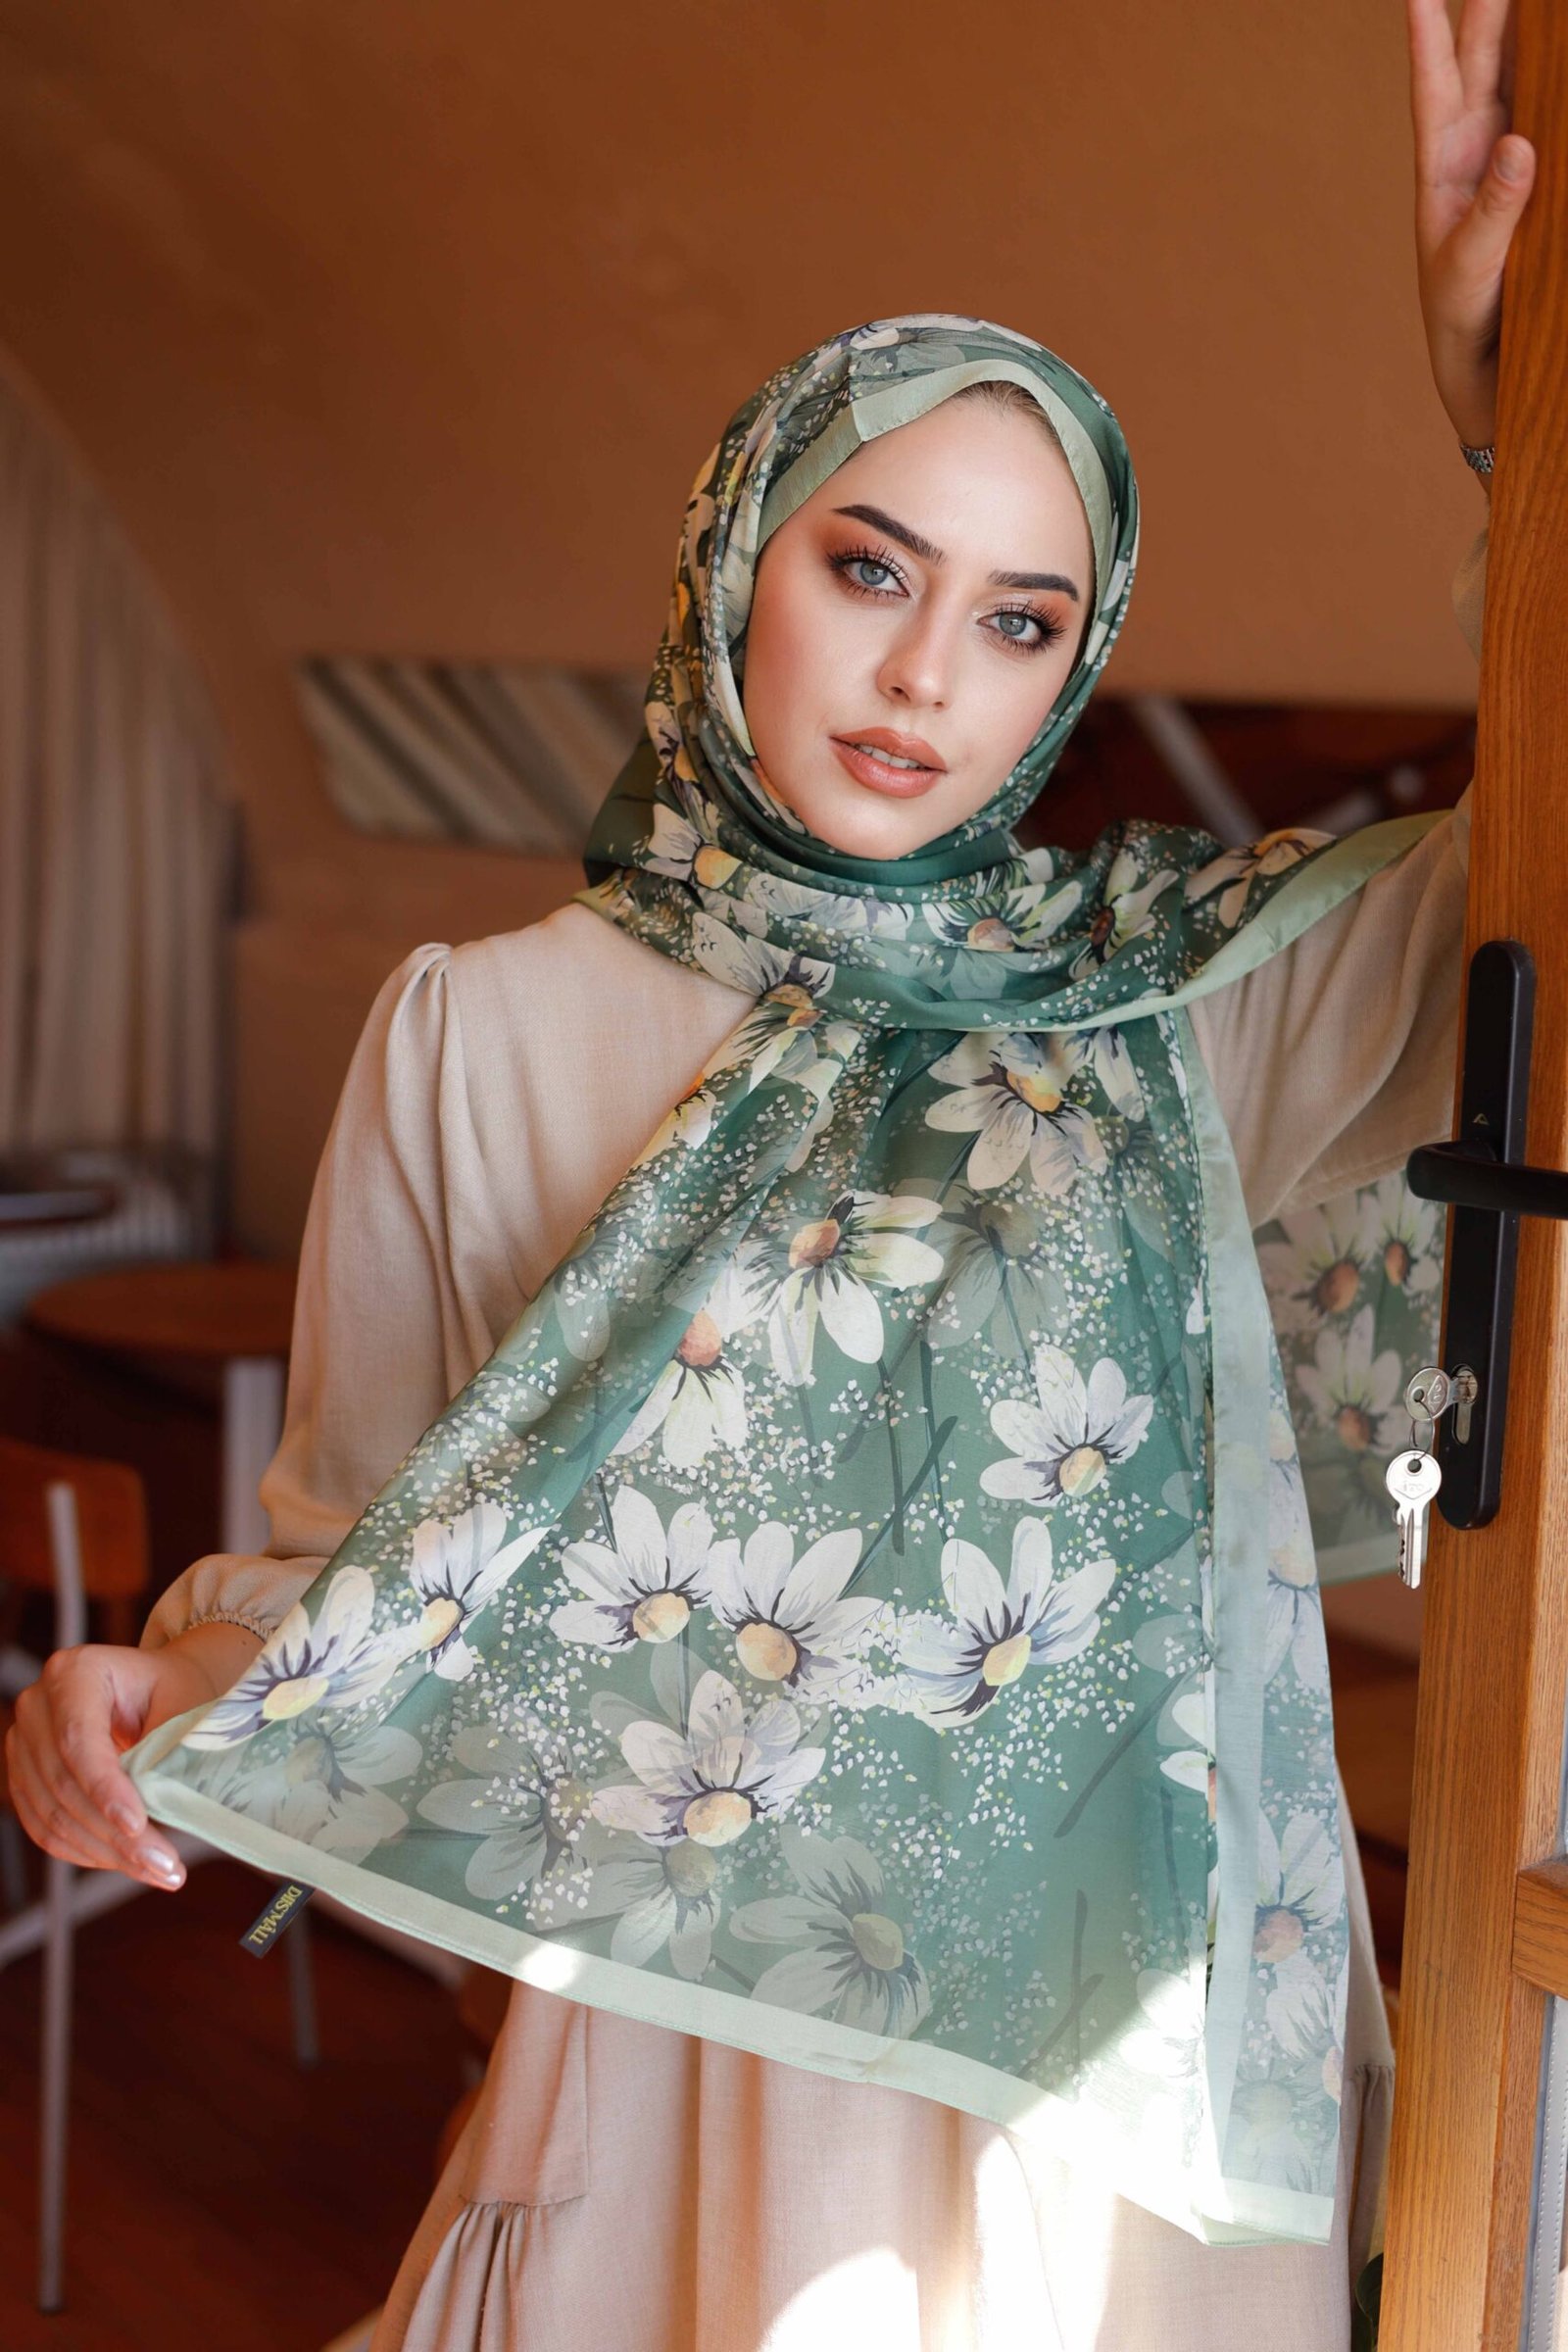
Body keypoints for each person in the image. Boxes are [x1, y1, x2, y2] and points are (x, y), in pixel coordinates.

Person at [5, 2, 1532, 2343]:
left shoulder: (1154, 1006)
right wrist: (146, 1687)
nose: (927, 678)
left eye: (1018, 623)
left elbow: (1531, 875)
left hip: (1105, 2074)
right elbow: (363, 1576)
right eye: (869, 568)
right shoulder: (476, 1028)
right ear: (735, 554)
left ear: (1068, 670)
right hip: (691, 2051)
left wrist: (1506, 428)